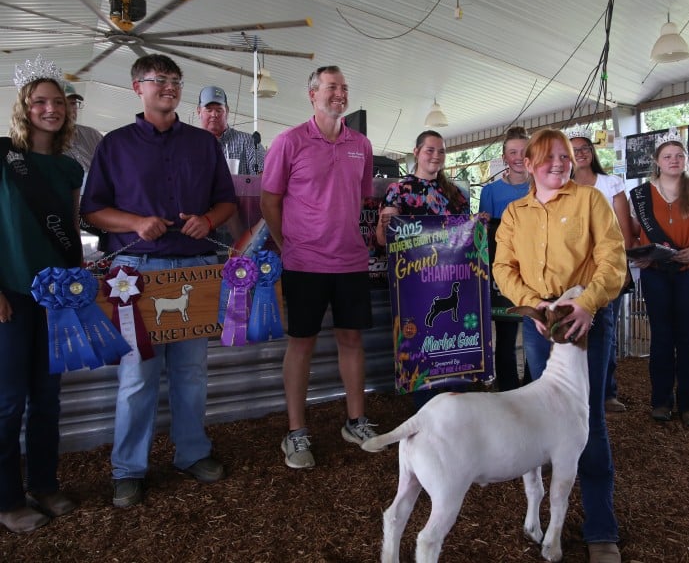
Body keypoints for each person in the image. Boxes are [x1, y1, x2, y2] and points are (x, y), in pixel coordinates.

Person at [81, 54, 237, 508]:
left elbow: (225, 201)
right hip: (136, 277)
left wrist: (208, 221)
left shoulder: (204, 145)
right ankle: (128, 468)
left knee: (191, 374)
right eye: (159, 80)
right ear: (137, 88)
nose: (168, 86)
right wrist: (135, 222)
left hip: (195, 269)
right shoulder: (114, 145)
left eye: (175, 80)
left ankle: (192, 453)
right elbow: (92, 209)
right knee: (137, 376)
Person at [493, 128, 626, 563]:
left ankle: (600, 527)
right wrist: (534, 305)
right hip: (539, 324)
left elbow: (612, 258)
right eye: (548, 158)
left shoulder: (590, 200)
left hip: (585, 320)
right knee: (542, 409)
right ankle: (543, 517)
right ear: (528, 164)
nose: (558, 164)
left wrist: (586, 303)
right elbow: (503, 267)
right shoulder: (515, 212)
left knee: (588, 419)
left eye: (565, 157)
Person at [260, 65, 377, 470]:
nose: (339, 94)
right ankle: (295, 432)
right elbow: (268, 201)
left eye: (344, 88)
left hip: (350, 261)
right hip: (304, 263)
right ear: (312, 94)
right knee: (302, 343)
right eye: (332, 87)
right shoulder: (288, 142)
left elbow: (362, 200)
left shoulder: (360, 144)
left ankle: (356, 421)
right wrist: (287, 244)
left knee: (351, 340)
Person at [0, 56, 82, 532]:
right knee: (9, 400)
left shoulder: (69, 168)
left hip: (55, 298)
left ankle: (45, 484)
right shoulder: (2, 157)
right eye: (40, 102)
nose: (50, 110)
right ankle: (8, 499)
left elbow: (69, 230)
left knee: (48, 397)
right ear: (25, 108)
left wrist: (77, 287)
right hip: (11, 293)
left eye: (57, 103)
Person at [629, 134, 689, 430]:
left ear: (686, 160)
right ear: (657, 161)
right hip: (656, 270)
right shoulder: (641, 195)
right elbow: (631, 233)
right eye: (668, 155)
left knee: (687, 338)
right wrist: (641, 256)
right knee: (660, 336)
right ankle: (660, 401)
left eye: (679, 155)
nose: (674, 160)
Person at [376, 130, 471, 410]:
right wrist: (385, 224)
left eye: (441, 151)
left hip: (453, 278)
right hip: (415, 284)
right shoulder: (398, 191)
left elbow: (466, 236)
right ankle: (427, 412)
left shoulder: (456, 194)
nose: (436, 156)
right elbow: (382, 241)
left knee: (452, 342)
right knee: (423, 344)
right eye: (430, 150)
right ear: (416, 152)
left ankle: (457, 410)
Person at [568, 129, 635, 413]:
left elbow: (625, 231)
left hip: (607, 269)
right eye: (573, 150)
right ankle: (574, 392)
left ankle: (606, 392)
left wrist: (619, 265)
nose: (580, 153)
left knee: (605, 330)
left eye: (584, 148)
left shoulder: (611, 183)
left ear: (592, 152)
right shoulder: (561, 186)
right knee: (573, 331)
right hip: (571, 272)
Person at [478, 126, 531, 392]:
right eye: (513, 152)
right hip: (504, 276)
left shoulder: (543, 186)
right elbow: (484, 237)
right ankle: (508, 391)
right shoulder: (490, 193)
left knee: (536, 334)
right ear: (504, 156)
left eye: (523, 151)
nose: (519, 157)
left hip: (538, 275)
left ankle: (534, 390)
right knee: (507, 337)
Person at [197, 86, 267, 175]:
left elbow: (264, 179)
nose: (214, 114)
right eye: (209, 110)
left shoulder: (249, 142)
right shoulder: (190, 145)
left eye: (219, 110)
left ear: (227, 111)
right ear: (199, 111)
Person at [62, 82, 103, 176]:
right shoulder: (44, 143)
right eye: (62, 103)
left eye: (73, 103)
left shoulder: (93, 135)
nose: (70, 110)